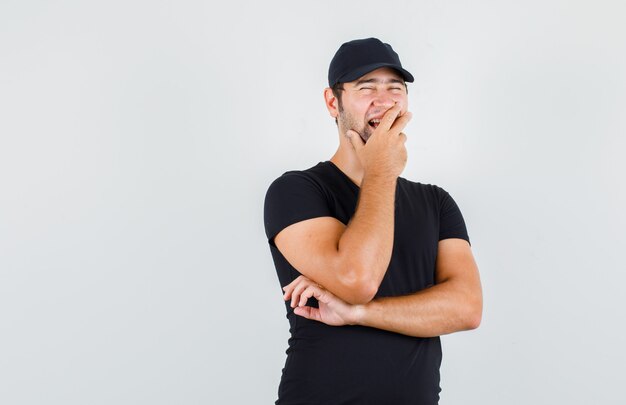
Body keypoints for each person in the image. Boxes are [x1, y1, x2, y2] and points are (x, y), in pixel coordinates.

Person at [263, 37, 483, 405]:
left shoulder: (436, 202)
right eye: (367, 88)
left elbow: (466, 308)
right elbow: (357, 278)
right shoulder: (296, 191)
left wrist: (358, 313)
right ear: (334, 102)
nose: (385, 100)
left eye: (395, 88)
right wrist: (381, 169)